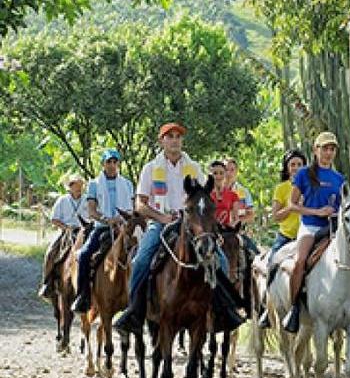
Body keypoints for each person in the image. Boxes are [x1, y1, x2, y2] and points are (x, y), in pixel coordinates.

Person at [114, 123, 243, 335]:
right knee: (141, 260)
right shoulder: (150, 168)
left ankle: (223, 311)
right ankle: (134, 312)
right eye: (170, 136)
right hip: (160, 222)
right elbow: (140, 205)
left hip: (190, 224)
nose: (175, 140)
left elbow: (204, 199)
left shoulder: (194, 168)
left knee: (221, 260)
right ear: (161, 141)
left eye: (178, 137)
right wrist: (162, 217)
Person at [280, 132, 345, 334]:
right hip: (310, 226)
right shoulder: (304, 174)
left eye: (332, 149)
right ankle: (294, 307)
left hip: (333, 228)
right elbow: (292, 204)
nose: (328, 152)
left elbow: (343, 205)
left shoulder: (339, 178)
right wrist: (316, 211)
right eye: (324, 148)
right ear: (315, 150)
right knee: (299, 261)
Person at [70, 149, 134, 313]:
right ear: (103, 164)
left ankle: (143, 298)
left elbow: (133, 209)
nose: (112, 165)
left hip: (124, 228)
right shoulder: (94, 184)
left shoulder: (127, 184)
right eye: (108, 162)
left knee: (142, 255)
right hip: (102, 228)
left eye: (115, 162)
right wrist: (107, 220)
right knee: (84, 255)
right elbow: (92, 211)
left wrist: (122, 220)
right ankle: (83, 296)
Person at [258, 149, 306, 329]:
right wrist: (292, 208)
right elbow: (276, 216)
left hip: (307, 236)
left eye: (299, 164)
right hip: (286, 237)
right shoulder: (282, 188)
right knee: (271, 263)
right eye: (292, 164)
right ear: (287, 168)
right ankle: (267, 308)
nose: (296, 168)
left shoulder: (310, 185)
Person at [38, 174, 89, 299]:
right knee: (51, 252)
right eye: (76, 186)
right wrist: (66, 228)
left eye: (81, 186)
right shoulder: (62, 200)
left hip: (84, 231)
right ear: (70, 187)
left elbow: (92, 216)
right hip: (65, 231)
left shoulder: (87, 199)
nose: (79, 189)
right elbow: (54, 219)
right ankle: (47, 282)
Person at [209, 160, 240, 227]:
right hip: (209, 232)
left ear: (225, 174)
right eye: (215, 173)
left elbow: (236, 219)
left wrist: (229, 227)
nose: (218, 176)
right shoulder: (206, 195)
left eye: (221, 173)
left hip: (226, 231)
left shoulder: (233, 195)